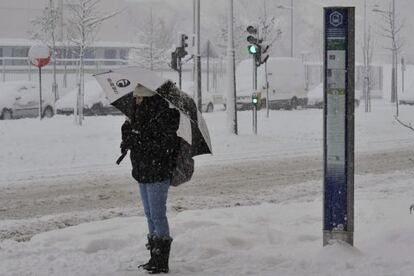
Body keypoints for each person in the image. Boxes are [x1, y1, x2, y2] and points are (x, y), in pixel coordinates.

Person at [121, 84, 180, 274]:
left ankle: (161, 260)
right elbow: (133, 137)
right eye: (135, 98)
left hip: (158, 173)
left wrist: (139, 139)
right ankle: (154, 255)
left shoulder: (164, 116)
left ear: (149, 99)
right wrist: (128, 136)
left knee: (157, 215)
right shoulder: (136, 117)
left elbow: (163, 147)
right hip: (143, 172)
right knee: (149, 214)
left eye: (139, 98)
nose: (136, 101)